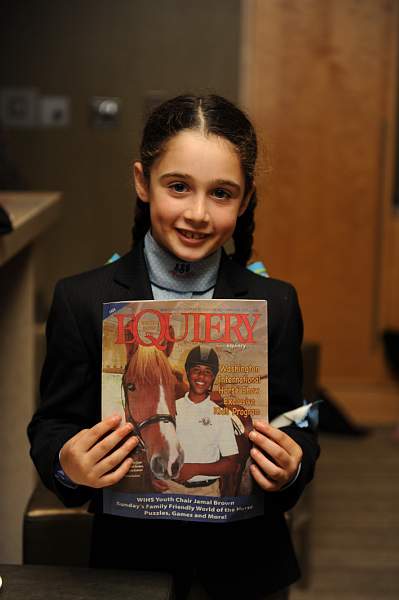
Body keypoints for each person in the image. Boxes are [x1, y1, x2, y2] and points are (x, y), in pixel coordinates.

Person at [28, 94, 319, 600]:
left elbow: (299, 423)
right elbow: (52, 424)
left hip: (247, 567)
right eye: (179, 187)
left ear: (245, 199)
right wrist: (66, 465)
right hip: (129, 564)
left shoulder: (276, 302)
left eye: (222, 193)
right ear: (143, 182)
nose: (198, 213)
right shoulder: (82, 299)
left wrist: (293, 466)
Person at [164, 345, 239, 497]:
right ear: (188, 372)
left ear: (213, 377)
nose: (201, 377)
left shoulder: (221, 414)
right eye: (196, 370)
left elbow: (231, 463)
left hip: (206, 492)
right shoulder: (170, 408)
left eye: (208, 372)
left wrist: (195, 469)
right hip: (170, 489)